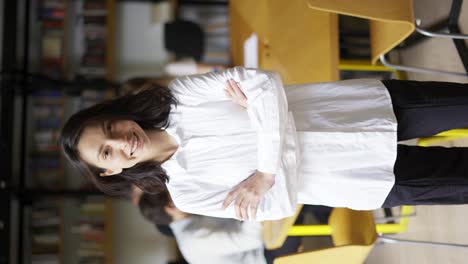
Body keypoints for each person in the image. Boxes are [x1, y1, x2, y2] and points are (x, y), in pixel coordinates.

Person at [60, 66, 468, 221]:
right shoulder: (187, 193)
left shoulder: (181, 95)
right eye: (107, 152)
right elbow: (278, 205)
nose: (120, 140)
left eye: (110, 127)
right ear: (110, 171)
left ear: (115, 113)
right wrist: (262, 113)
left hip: (366, 108)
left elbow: (265, 82)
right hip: (365, 178)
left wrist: (266, 173)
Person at [138, 189, 267, 264]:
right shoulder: (193, 239)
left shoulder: (192, 219)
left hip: (266, 239)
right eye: (175, 194)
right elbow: (252, 239)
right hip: (269, 255)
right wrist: (257, 198)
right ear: (171, 208)